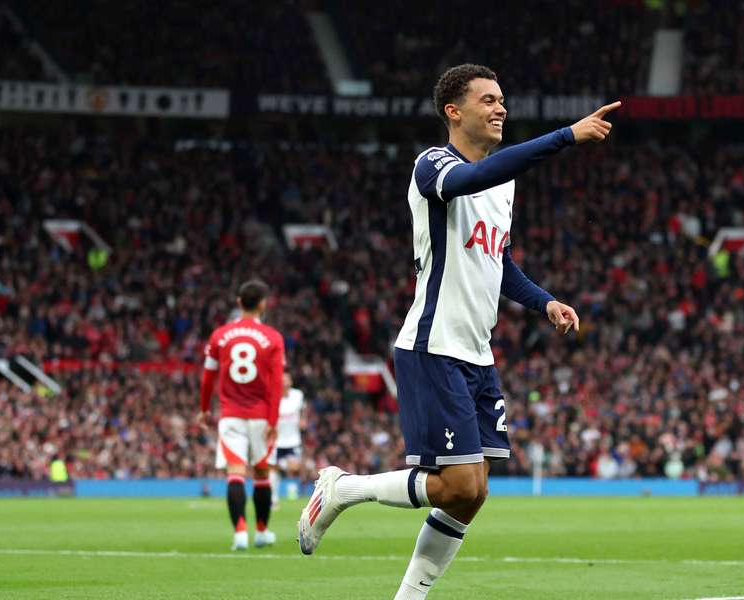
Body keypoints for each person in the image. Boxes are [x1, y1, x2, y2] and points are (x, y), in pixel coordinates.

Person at [298, 64, 619, 597]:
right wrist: (565, 136)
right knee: (458, 483)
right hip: (432, 347)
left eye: (503, 100)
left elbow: (500, 261)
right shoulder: (434, 166)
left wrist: (545, 303)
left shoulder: (504, 182)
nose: (501, 109)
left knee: (473, 494)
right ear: (454, 111)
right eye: (488, 100)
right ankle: (342, 488)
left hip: (477, 354)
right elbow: (469, 180)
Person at [199, 280, 286, 551]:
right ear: (263, 304)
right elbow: (276, 384)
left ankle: (239, 533)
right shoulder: (273, 338)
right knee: (261, 472)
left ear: (239, 303)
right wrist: (272, 421)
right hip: (261, 416)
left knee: (235, 473)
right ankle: (262, 532)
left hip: (231, 415)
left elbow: (208, 377)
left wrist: (204, 409)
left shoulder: (219, 336)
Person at [271, 372, 306, 507]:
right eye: (282, 380)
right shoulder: (272, 397)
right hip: (276, 440)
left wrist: (303, 419)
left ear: (290, 382)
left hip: (293, 440)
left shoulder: (297, 395)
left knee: (295, 467)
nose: (284, 382)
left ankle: (280, 467)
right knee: (272, 473)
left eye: (286, 379)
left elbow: (303, 408)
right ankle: (274, 500)